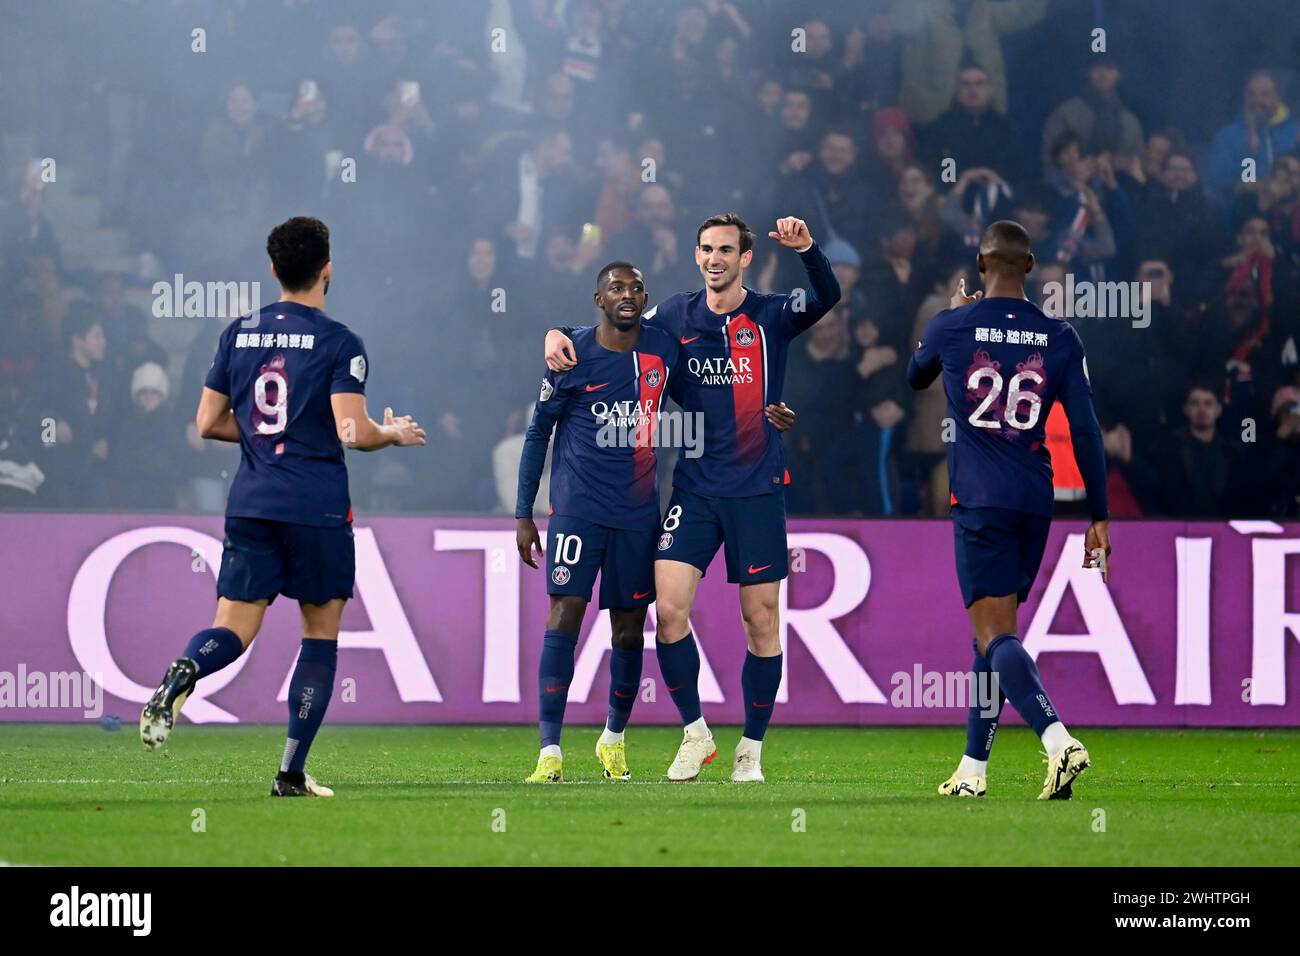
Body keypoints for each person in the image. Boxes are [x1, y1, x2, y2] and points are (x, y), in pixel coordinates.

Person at [544, 213, 839, 782]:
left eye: (726, 249)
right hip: (696, 487)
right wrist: (557, 331)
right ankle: (695, 732)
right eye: (706, 249)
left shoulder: (771, 315)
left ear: (745, 258)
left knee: (760, 621)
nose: (714, 259)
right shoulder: (674, 315)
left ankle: (750, 749)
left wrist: (809, 251)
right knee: (669, 608)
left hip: (756, 489)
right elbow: (615, 325)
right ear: (696, 254)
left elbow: (826, 295)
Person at [138, 217, 426, 797]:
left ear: (273, 270)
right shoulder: (340, 341)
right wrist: (390, 434)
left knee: (234, 629)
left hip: (251, 501)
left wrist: (267, 438)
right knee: (319, 633)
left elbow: (206, 423)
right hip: (315, 506)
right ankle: (290, 773)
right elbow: (350, 430)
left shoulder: (237, 334)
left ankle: (187, 671)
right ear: (327, 269)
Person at [906, 219, 1110, 800]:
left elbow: (913, 376)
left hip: (979, 497)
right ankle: (973, 768)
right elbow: (1087, 431)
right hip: (1035, 499)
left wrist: (949, 314)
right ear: (1031, 265)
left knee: (994, 635)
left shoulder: (952, 325)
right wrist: (1100, 515)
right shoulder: (1060, 336)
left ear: (980, 264)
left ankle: (1057, 739)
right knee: (991, 638)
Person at [514, 262, 682, 783]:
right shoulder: (570, 355)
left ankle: (614, 738)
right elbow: (538, 434)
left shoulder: (663, 347)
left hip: (636, 516)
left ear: (644, 297)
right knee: (564, 614)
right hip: (577, 511)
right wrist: (524, 512)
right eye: (616, 288)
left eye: (634, 288)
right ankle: (549, 751)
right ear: (598, 298)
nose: (626, 295)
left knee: (630, 629)